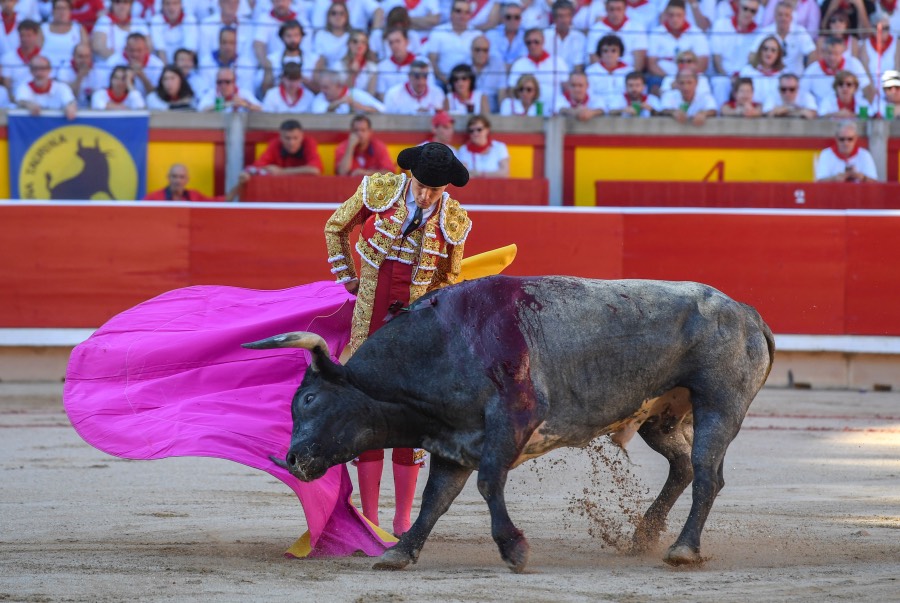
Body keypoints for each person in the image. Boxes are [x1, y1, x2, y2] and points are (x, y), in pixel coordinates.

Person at [324, 141, 471, 535]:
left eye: (435, 191)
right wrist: (347, 277)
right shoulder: (380, 191)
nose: (425, 195)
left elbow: (449, 280)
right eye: (422, 186)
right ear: (411, 176)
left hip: (414, 329)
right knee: (369, 413)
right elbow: (336, 226)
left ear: (447, 189)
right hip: (369, 321)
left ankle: (403, 520)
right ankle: (370, 518)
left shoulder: (454, 220)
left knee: (410, 418)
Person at [238, 119, 322, 188]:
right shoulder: (275, 144)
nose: (291, 142)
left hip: (305, 187)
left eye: (295, 138)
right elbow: (258, 165)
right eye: (287, 138)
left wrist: (282, 171)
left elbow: (315, 170)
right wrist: (247, 172)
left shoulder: (309, 143)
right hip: (280, 189)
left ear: (301, 137)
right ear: (280, 137)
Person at [647, 0, 710, 89]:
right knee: (654, 83)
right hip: (663, 77)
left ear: (685, 15)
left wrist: (684, 79)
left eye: (678, 15)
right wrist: (669, 79)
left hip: (689, 78)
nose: (675, 19)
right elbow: (651, 64)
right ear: (666, 15)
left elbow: (703, 63)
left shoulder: (696, 33)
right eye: (671, 15)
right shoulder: (656, 33)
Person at [709, 0, 762, 106]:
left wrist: (741, 81)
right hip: (724, 74)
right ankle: (720, 117)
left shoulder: (759, 32)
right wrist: (729, 77)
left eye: (753, 11)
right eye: (745, 9)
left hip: (746, 76)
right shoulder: (721, 24)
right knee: (720, 82)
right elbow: (717, 59)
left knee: (757, 80)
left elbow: (753, 61)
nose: (748, 13)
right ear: (738, 6)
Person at [506, 28, 569, 111]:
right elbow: (512, 90)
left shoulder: (558, 62)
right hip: (528, 110)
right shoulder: (519, 64)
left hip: (553, 109)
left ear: (543, 42)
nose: (533, 45)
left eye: (536, 42)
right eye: (529, 43)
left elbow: (567, 88)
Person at [754, 1, 817, 79]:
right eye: (780, 15)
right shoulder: (765, 32)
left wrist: (806, 76)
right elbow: (752, 54)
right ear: (775, 16)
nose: (783, 18)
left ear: (791, 17)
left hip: (795, 81)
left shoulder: (800, 32)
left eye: (786, 15)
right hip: (771, 79)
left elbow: (812, 54)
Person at [801, 36, 873, 104]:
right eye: (829, 53)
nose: (832, 58)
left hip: (852, 112)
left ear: (843, 52)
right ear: (823, 52)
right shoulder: (813, 69)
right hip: (823, 114)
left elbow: (867, 88)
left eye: (836, 53)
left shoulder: (853, 64)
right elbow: (801, 91)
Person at [426, 0, 480, 89]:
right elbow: (432, 61)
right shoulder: (438, 32)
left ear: (470, 15)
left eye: (466, 12)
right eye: (458, 11)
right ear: (451, 13)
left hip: (469, 84)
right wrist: (447, 81)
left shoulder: (477, 35)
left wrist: (464, 83)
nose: (462, 16)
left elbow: (480, 64)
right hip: (443, 82)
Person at [585, 0, 647, 72]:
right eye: (612, 9)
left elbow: (639, 61)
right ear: (606, 9)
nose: (615, 13)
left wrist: (631, 78)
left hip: (629, 75)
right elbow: (594, 57)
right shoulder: (596, 29)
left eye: (619, 9)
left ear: (625, 9)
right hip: (602, 75)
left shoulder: (637, 27)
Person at [814, 120, 879, 182]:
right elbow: (819, 182)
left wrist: (861, 177)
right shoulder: (826, 154)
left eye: (850, 139)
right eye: (842, 139)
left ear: (856, 138)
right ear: (836, 138)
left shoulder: (864, 155)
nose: (846, 143)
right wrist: (834, 179)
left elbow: (874, 182)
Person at [15, 54, 77, 118]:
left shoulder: (62, 87)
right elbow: (21, 101)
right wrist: (29, 105)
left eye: (42, 68)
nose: (39, 73)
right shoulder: (24, 87)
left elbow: (70, 101)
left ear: (49, 70)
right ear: (30, 71)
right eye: (35, 69)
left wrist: (70, 107)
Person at [311, 69, 385, 114]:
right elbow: (319, 115)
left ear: (338, 85)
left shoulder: (355, 93)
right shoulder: (320, 98)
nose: (322, 91)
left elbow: (382, 109)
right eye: (321, 87)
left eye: (326, 87)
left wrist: (360, 107)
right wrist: (339, 103)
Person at [739, 36, 786, 105]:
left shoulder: (784, 74)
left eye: (773, 50)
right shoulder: (747, 71)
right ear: (760, 51)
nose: (769, 53)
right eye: (765, 49)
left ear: (778, 55)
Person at [40, 0, 88, 68]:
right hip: (47, 71)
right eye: (59, 8)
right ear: (52, 11)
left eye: (65, 8)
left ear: (70, 11)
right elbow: (37, 53)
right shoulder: (43, 29)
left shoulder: (78, 29)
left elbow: (85, 53)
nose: (62, 12)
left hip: (71, 70)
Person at [55, 42, 104, 107]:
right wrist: (80, 77)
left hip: (91, 110)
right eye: (80, 56)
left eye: (87, 56)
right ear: (73, 57)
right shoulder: (64, 69)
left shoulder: (98, 70)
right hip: (70, 109)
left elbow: (98, 97)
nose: (84, 60)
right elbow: (68, 96)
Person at [1, 20, 42, 96]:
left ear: (36, 36)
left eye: (29, 35)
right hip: (14, 101)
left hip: (39, 100)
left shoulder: (45, 58)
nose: (25, 39)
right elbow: (7, 86)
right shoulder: (7, 58)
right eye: (22, 35)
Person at [584, 34, 629, 101]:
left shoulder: (629, 71)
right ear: (600, 53)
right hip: (597, 109)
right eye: (605, 51)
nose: (609, 54)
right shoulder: (590, 71)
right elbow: (588, 94)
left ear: (620, 53)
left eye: (613, 51)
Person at [544, 0, 585, 72]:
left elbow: (578, 67)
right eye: (560, 16)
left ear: (572, 17)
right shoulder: (544, 36)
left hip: (572, 80)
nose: (564, 20)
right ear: (554, 18)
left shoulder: (580, 37)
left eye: (567, 15)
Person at [143, 163, 222, 200]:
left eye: (181, 177)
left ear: (187, 180)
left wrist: (235, 189)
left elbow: (218, 203)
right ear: (168, 178)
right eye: (174, 176)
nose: (178, 180)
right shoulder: (154, 198)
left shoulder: (195, 196)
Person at [485, 1, 527, 71]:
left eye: (516, 17)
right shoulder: (491, 35)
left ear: (521, 19)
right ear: (503, 19)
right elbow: (494, 59)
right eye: (508, 17)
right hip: (496, 74)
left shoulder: (527, 35)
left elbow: (524, 59)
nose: (512, 20)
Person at [469, 35, 506, 113]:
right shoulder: (464, 65)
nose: (481, 53)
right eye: (477, 50)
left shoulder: (498, 65)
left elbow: (502, 92)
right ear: (471, 50)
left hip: (493, 110)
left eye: (485, 50)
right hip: (470, 109)